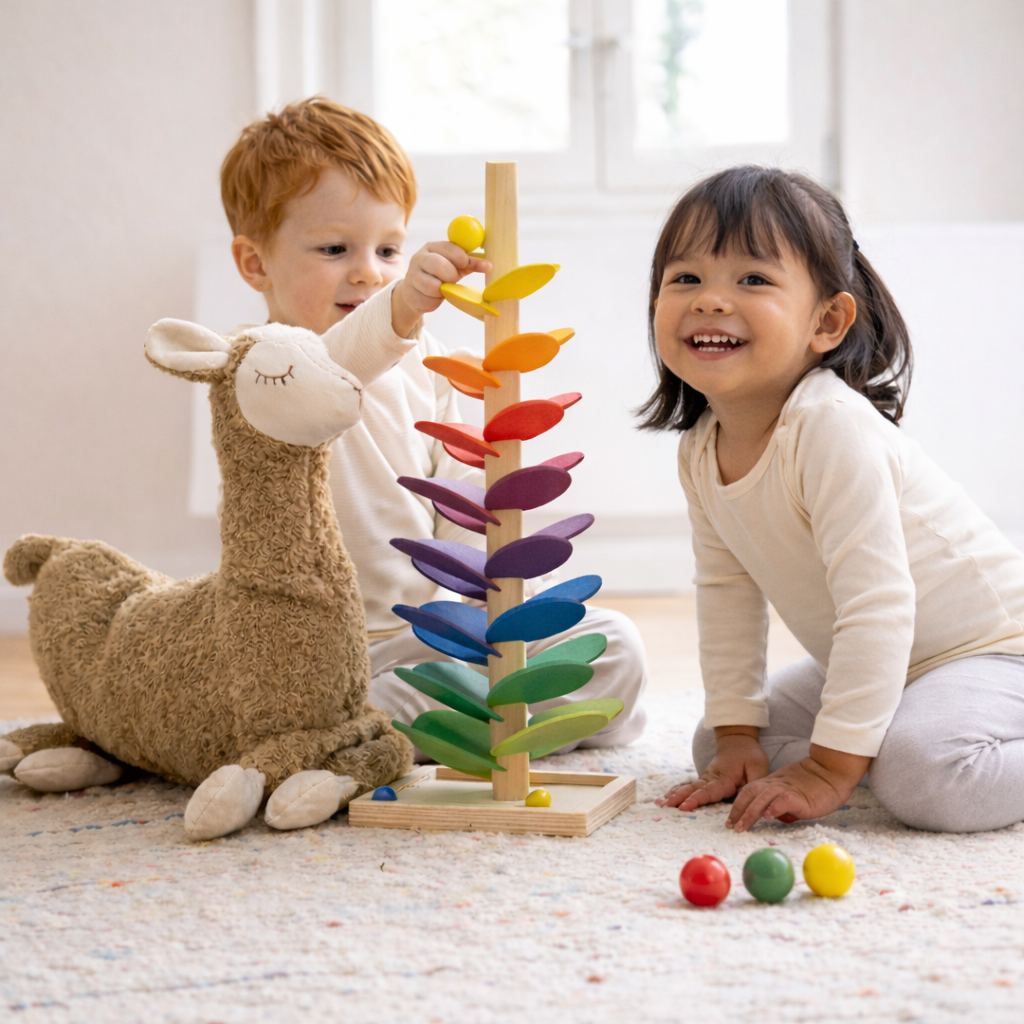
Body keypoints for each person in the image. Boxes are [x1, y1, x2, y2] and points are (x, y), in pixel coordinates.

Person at [219, 97, 647, 748]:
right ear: (255, 263)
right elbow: (333, 370)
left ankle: (469, 726)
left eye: (389, 247)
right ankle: (399, 732)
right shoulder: (258, 367)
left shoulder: (420, 359)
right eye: (335, 248)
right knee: (370, 703)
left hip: (436, 633)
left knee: (615, 645)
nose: (369, 270)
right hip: (332, 659)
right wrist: (400, 309)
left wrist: (491, 600)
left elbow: (457, 496)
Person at [647, 165, 1024, 833]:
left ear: (826, 322)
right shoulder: (700, 450)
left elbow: (877, 604)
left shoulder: (830, 425)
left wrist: (829, 768)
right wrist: (738, 730)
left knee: (921, 774)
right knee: (723, 744)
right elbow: (726, 589)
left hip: (992, 651)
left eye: (753, 279)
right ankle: (884, 736)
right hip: (897, 664)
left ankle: (896, 748)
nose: (709, 300)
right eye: (685, 279)